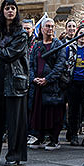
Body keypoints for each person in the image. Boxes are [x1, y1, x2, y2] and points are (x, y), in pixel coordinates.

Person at [0, 0, 29, 166]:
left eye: (13, 8)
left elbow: (10, 54)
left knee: (14, 121)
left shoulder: (21, 33)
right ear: (2, 11)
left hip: (15, 80)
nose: (10, 11)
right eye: (7, 8)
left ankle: (14, 155)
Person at [28, 18, 66, 150]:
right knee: (39, 113)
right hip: (38, 85)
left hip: (52, 86)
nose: (50, 29)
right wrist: (33, 78)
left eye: (52, 26)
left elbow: (60, 65)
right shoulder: (37, 46)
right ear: (42, 29)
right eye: (48, 26)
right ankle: (40, 137)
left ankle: (53, 139)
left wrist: (47, 79)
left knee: (53, 113)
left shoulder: (59, 45)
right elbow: (31, 63)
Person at [65, 25, 84, 146]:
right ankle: (74, 134)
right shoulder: (70, 48)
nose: (83, 37)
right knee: (73, 110)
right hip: (73, 82)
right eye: (81, 33)